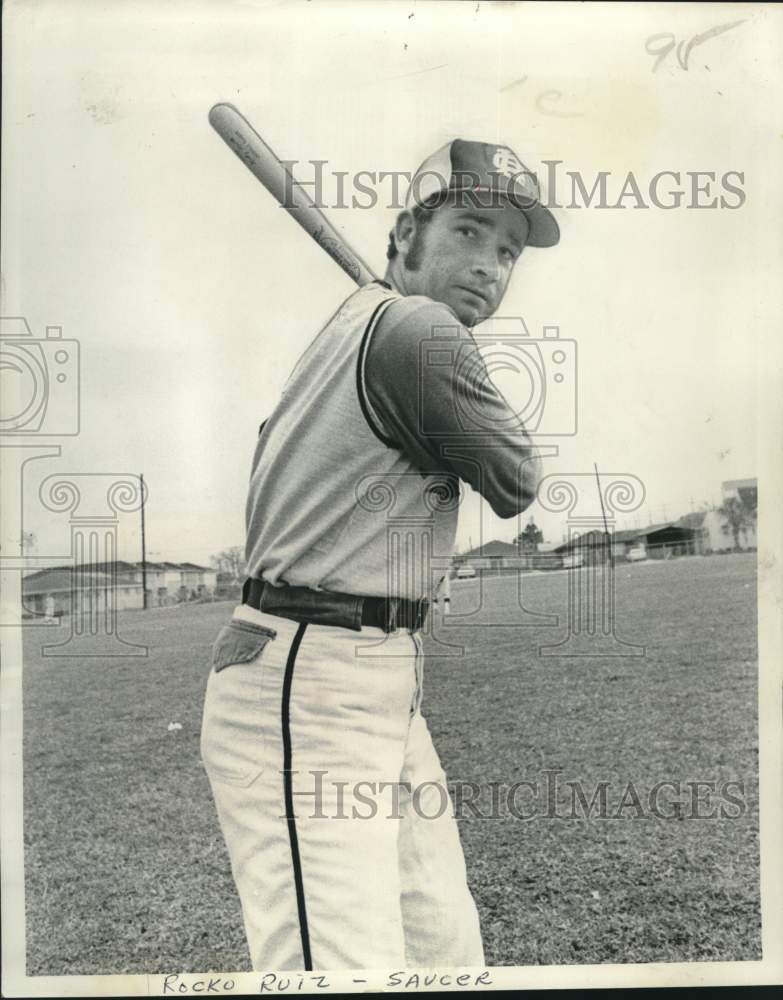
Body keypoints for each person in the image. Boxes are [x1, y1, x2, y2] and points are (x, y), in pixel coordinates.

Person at [200, 138, 559, 971]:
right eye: (468, 232)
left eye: (507, 251)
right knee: (337, 969)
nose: (490, 265)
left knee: (443, 951)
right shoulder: (413, 328)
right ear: (405, 236)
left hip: (374, 675)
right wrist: (448, 360)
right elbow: (515, 476)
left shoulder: (359, 324)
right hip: (307, 676)